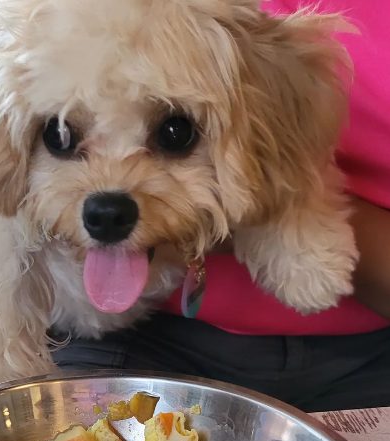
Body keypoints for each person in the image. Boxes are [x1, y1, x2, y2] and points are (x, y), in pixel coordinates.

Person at [53, 0, 390, 412]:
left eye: (174, 133)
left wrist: (270, 202)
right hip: (142, 340)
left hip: (371, 357)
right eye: (63, 137)